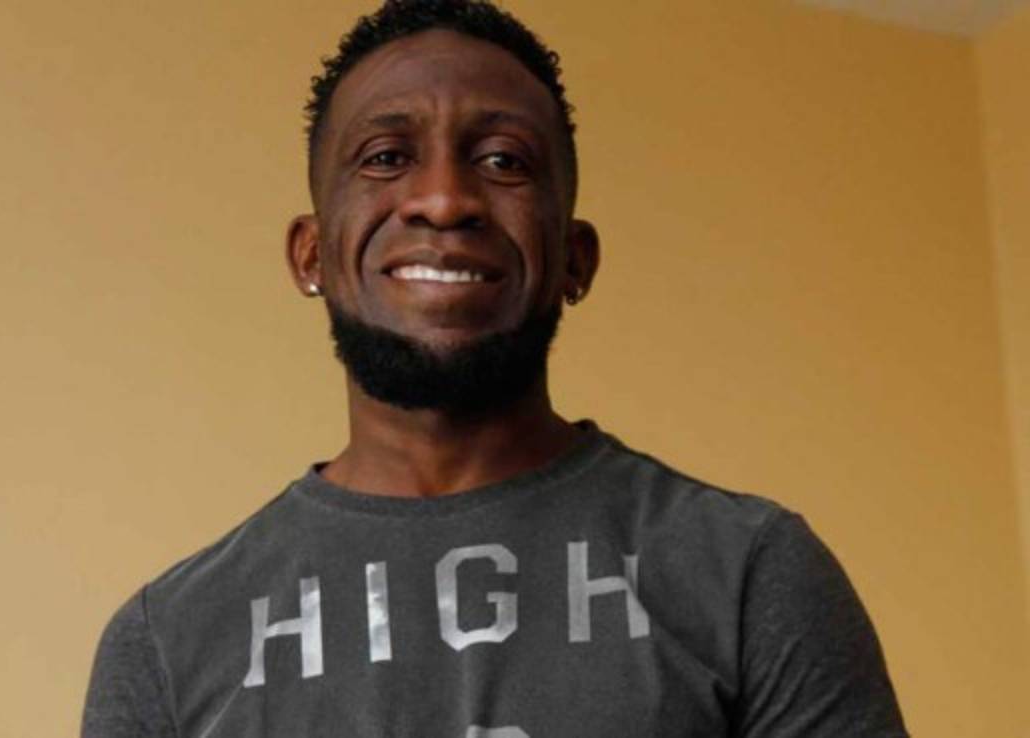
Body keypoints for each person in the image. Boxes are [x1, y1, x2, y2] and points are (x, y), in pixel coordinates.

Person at [81, 1, 909, 736]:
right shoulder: (167, 641)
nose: (444, 200)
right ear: (311, 255)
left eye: (505, 161)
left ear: (575, 259)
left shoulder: (748, 572)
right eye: (385, 157)